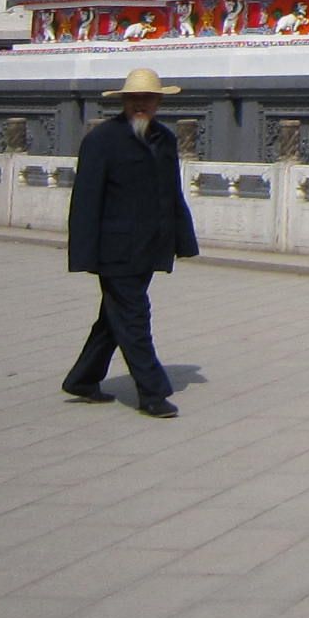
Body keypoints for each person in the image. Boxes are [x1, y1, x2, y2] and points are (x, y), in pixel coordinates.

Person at [63, 67, 198, 418]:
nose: (141, 104)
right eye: (134, 99)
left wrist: (182, 239)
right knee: (135, 317)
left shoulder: (165, 140)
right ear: (123, 102)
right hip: (115, 249)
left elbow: (171, 193)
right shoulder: (103, 140)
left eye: (148, 99)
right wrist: (83, 252)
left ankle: (83, 378)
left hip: (151, 245)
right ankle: (152, 392)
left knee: (115, 317)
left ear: (157, 102)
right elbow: (86, 199)